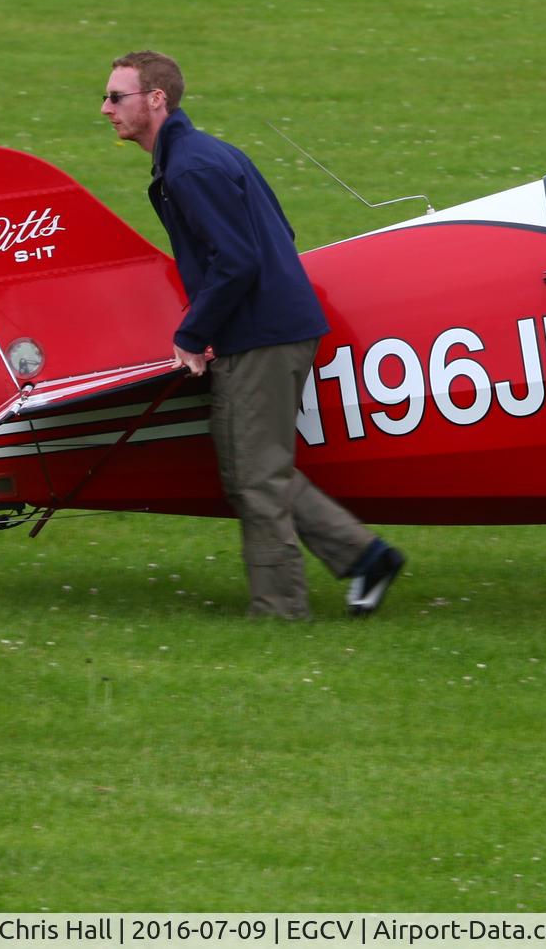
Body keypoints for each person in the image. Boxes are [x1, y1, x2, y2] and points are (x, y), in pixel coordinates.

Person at [103, 51, 405, 620]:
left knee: (254, 477)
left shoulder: (190, 168)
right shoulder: (200, 156)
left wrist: (194, 333)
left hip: (262, 336)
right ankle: (366, 557)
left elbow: (237, 260)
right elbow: (277, 232)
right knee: (252, 468)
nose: (106, 109)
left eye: (117, 97)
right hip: (268, 328)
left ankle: (280, 611)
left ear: (156, 99)